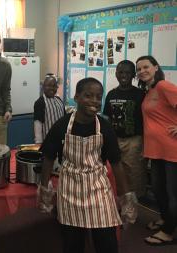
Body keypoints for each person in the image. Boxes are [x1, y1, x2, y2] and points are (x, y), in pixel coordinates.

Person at [38, 77, 137, 253]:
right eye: (88, 95)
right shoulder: (62, 125)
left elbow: (116, 164)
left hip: (98, 187)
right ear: (76, 97)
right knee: (73, 243)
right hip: (70, 188)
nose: (94, 101)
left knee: (107, 242)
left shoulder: (104, 127)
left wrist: (126, 197)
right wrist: (44, 190)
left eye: (98, 97)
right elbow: (48, 157)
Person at [136, 55, 177, 246]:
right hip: (155, 150)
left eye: (146, 67)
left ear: (155, 67)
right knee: (159, 190)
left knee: (172, 193)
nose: (142, 71)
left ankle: (169, 232)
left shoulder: (163, 86)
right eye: (139, 69)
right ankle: (165, 219)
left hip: (171, 150)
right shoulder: (149, 90)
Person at [103, 60, 146, 198]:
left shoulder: (140, 94)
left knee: (133, 173)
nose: (124, 75)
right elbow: (107, 118)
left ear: (134, 75)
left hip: (134, 140)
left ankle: (134, 205)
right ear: (116, 74)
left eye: (128, 72)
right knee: (116, 172)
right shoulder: (111, 94)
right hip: (115, 139)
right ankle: (120, 202)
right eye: (120, 72)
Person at [33, 73, 65, 144]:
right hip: (47, 141)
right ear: (43, 87)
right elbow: (38, 123)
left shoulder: (59, 101)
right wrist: (38, 142)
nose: (52, 88)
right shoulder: (40, 102)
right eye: (48, 85)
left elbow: (64, 120)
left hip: (61, 140)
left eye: (54, 86)